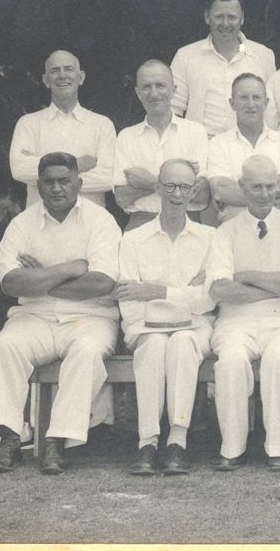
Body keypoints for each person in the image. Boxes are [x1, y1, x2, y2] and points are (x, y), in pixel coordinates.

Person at [0, 152, 121, 475]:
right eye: (49, 182)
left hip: (92, 317)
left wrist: (40, 278)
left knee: (86, 352)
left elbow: (101, 283)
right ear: (39, 184)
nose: (57, 188)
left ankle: (56, 441)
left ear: (79, 183)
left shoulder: (101, 221)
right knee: (4, 346)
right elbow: (11, 283)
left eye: (64, 181)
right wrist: (69, 268)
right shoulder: (22, 224)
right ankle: (9, 438)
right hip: (35, 316)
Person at [206, 155, 280, 472]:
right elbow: (220, 289)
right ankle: (232, 448)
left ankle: (278, 447)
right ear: (242, 187)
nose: (265, 194)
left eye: (270, 186)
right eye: (256, 187)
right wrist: (275, 286)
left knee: (279, 359)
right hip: (234, 322)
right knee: (231, 361)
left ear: (278, 185)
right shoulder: (226, 231)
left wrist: (247, 275)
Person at [117, 159, 216, 476]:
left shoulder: (210, 238)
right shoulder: (133, 239)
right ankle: (147, 442)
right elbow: (130, 305)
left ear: (194, 192)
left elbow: (208, 301)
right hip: (144, 328)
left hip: (196, 329)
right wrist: (186, 294)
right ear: (158, 188)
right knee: (156, 344)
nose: (177, 194)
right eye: (170, 186)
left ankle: (177, 441)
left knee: (183, 341)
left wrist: (156, 291)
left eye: (185, 187)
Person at [9, 50, 116, 207]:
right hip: (40, 220)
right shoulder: (28, 124)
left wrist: (46, 174)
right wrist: (76, 164)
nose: (62, 75)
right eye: (55, 70)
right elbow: (19, 169)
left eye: (69, 69)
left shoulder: (102, 125)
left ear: (81, 77)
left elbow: (108, 177)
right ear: (46, 80)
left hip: (90, 220)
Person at [113, 60, 211, 231]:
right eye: (146, 87)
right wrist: (181, 184)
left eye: (160, 85)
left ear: (174, 89)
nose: (154, 93)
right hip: (140, 226)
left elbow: (202, 194)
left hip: (188, 225)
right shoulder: (126, 137)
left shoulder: (195, 132)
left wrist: (149, 182)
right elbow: (122, 197)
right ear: (138, 93)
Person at [171, 0, 276, 137]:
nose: (225, 24)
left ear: (242, 18)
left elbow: (271, 110)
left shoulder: (264, 56)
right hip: (201, 144)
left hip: (249, 144)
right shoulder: (185, 56)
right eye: (219, 17)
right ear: (207, 17)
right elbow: (173, 109)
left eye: (232, 17)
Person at [208, 73, 280, 222]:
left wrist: (240, 197)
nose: (250, 104)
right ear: (232, 103)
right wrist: (273, 199)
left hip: (279, 227)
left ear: (266, 102)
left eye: (256, 97)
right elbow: (221, 190)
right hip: (234, 228)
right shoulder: (218, 143)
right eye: (243, 97)